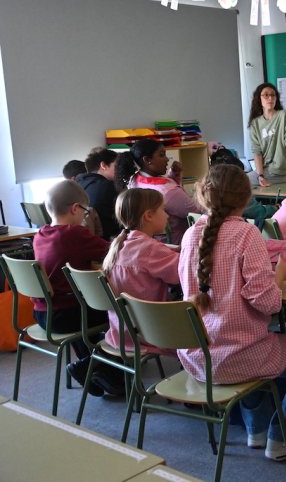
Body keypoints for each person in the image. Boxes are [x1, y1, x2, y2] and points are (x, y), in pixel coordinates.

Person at [178, 164, 286, 461]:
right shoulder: (246, 235)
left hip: (198, 357)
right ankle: (285, 438)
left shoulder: (190, 235)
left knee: (260, 341)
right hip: (239, 356)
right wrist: (279, 276)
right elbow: (267, 304)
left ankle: (256, 430)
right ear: (246, 199)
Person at [32, 180, 122, 396]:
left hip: (44, 313)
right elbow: (112, 251)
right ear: (75, 208)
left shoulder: (40, 234)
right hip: (68, 314)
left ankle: (95, 370)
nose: (86, 215)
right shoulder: (73, 233)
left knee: (90, 310)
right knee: (121, 314)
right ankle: (92, 366)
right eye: (85, 210)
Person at [101, 188, 180, 357]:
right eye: (163, 210)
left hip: (122, 332)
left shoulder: (120, 243)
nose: (167, 215)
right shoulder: (150, 249)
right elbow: (183, 273)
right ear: (148, 216)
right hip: (151, 334)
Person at [115, 138, 201, 246]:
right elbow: (197, 211)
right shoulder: (168, 191)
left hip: (152, 243)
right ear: (147, 160)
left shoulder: (135, 180)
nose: (167, 159)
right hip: (177, 245)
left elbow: (167, 192)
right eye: (161, 155)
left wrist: (173, 174)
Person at [247, 83, 286, 187]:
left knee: (236, 182)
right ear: (259, 99)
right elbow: (257, 152)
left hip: (279, 171)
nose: (270, 98)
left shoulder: (283, 115)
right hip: (264, 172)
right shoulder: (255, 123)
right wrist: (260, 176)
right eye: (266, 95)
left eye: (273, 95)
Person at [77, 147, 121, 239]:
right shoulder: (108, 186)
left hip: (90, 238)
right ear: (103, 165)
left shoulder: (79, 183)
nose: (120, 170)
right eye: (117, 166)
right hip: (109, 239)